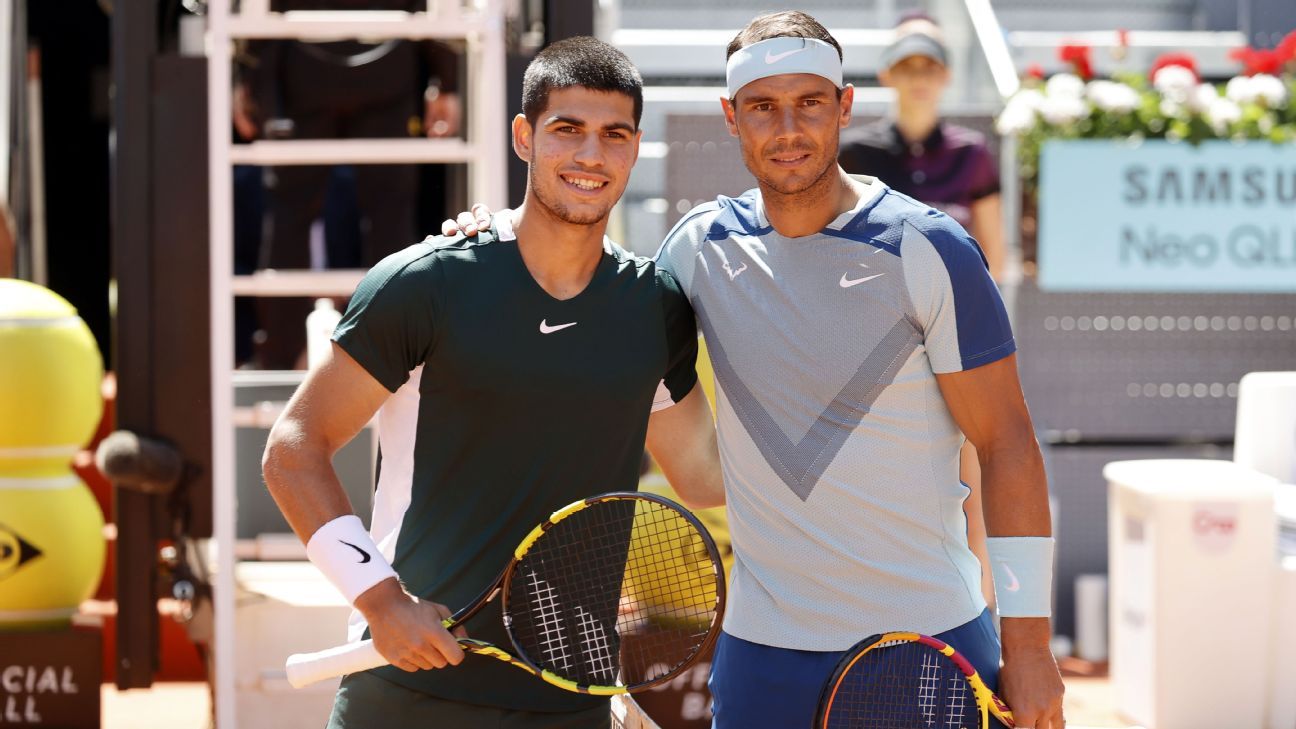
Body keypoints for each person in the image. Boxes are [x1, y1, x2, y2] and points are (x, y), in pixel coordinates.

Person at [445, 11, 1065, 729]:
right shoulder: (697, 249)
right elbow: (581, 289)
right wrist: (491, 238)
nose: (788, 128)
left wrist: (1029, 642)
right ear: (731, 118)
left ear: (844, 106)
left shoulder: (930, 249)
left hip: (927, 643)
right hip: (761, 658)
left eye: (809, 103)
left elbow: (1008, 443)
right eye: (763, 107)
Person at [262, 36, 723, 729]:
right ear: (524, 137)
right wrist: (380, 600)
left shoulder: (654, 305)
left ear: (633, 150)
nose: (591, 156)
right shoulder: (426, 283)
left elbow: (707, 476)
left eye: (614, 136)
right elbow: (294, 448)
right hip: (406, 696)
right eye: (567, 130)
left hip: (570, 700)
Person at [838, 12, 1010, 610]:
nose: (918, 78)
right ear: (888, 73)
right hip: (874, 349)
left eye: (929, 66)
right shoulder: (856, 150)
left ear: (945, 76)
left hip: (956, 340)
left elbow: (995, 258)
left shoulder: (972, 155)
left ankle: (980, 615)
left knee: (975, 480)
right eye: (907, 66)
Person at [235, 0, 463, 369]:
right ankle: (395, 351)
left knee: (292, 211)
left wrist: (247, 73)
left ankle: (279, 356)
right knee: (388, 212)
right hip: (384, 53)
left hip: (305, 56)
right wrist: (446, 78)